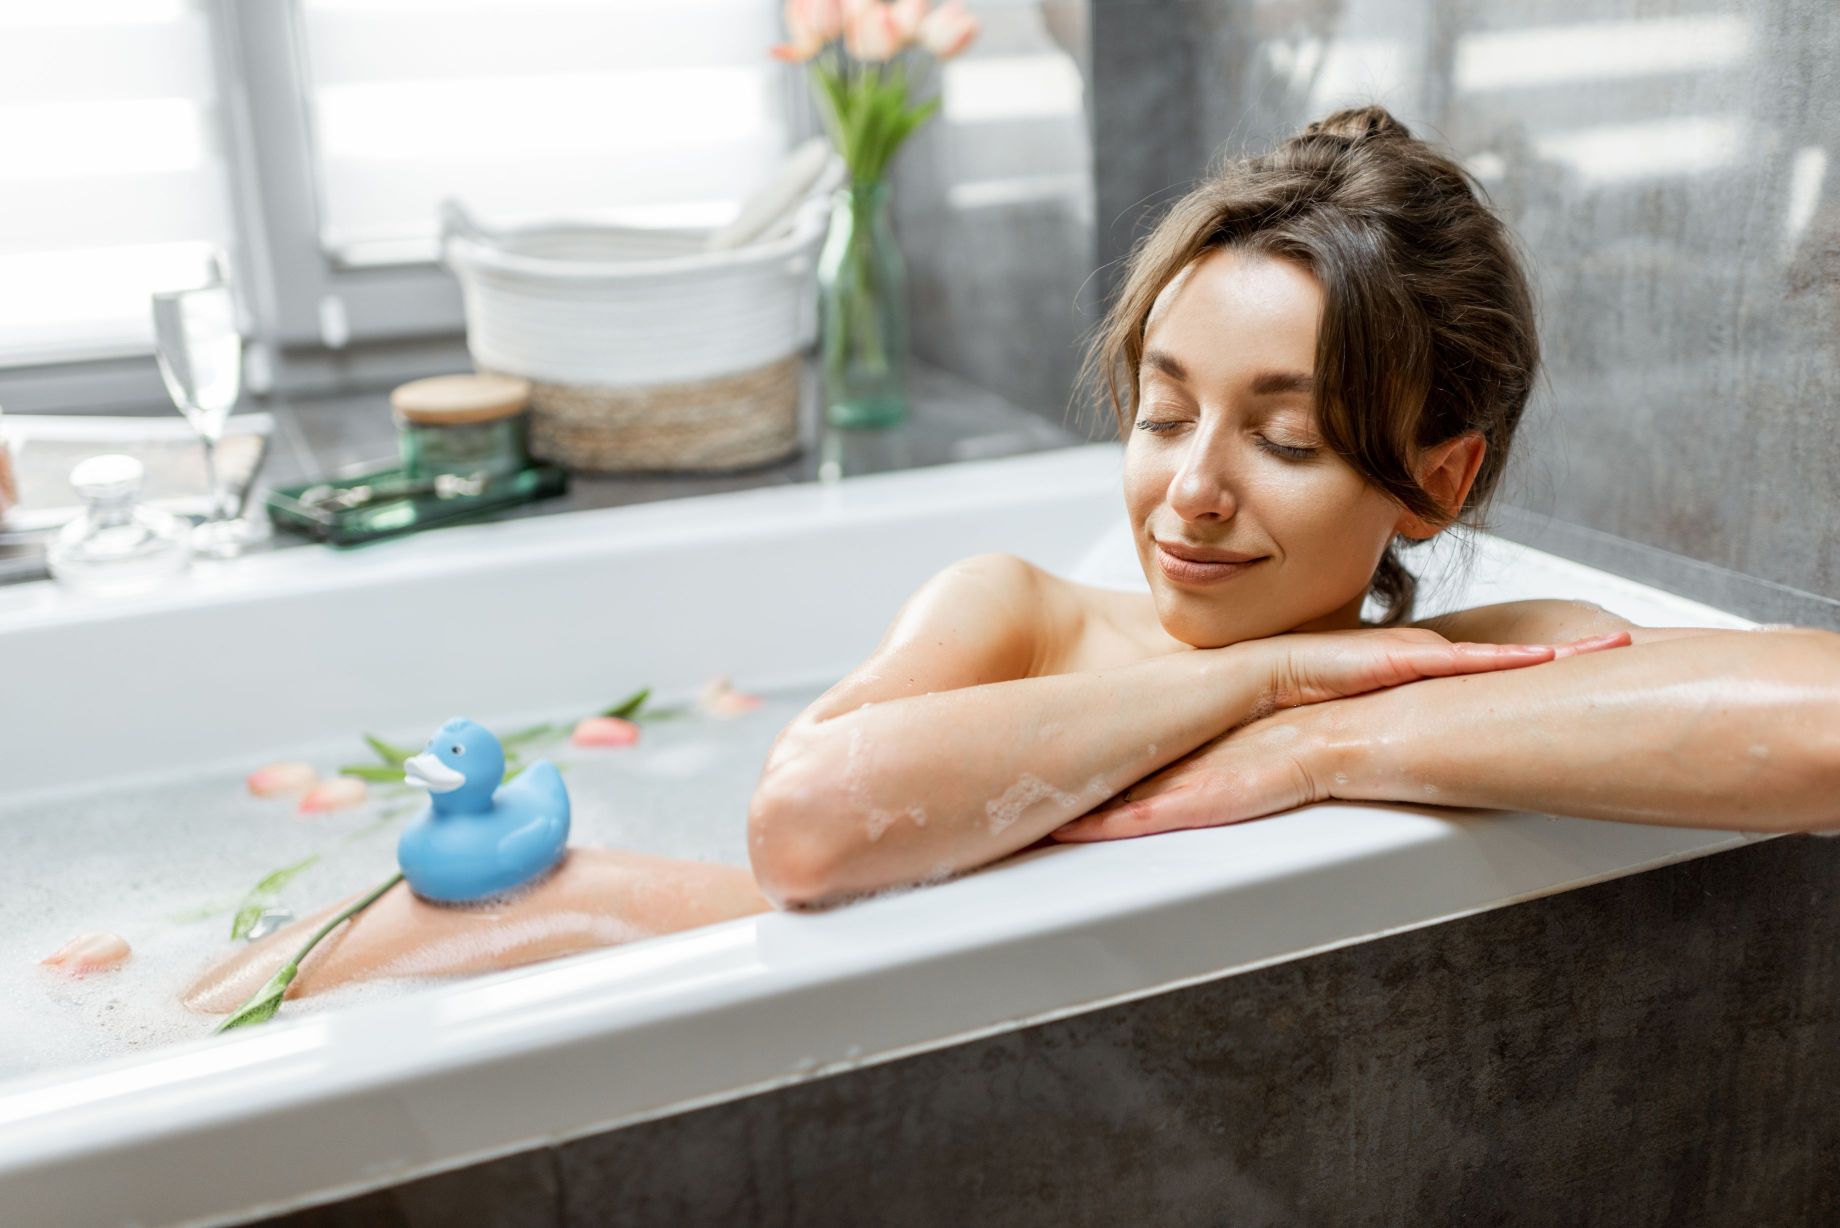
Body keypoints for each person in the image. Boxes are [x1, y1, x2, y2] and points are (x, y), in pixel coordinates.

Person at [185, 105, 1839, 1013]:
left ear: (1437, 479)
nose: (1190, 490)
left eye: (1281, 438)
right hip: (607, 949)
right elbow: (801, 827)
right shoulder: (1018, 613)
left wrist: (1324, 736)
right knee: (253, 989)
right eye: (1163, 411)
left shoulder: (1494, 660)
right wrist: (1272, 673)